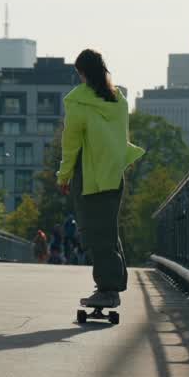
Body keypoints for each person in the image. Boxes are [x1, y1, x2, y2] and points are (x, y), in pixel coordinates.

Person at [57, 49, 145, 309]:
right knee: (108, 231)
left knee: (94, 233)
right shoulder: (119, 99)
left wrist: (64, 175)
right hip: (113, 174)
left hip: (90, 174)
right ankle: (113, 284)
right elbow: (120, 138)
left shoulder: (79, 102)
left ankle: (108, 289)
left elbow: (70, 143)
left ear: (82, 73)